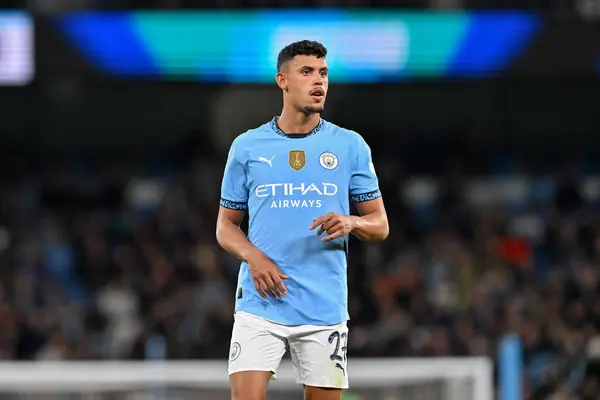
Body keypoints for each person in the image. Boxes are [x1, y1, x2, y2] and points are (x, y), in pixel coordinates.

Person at [216, 40, 389, 400]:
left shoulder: (349, 145)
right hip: (260, 304)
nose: (318, 81)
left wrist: (352, 223)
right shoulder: (247, 147)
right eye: (307, 72)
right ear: (283, 80)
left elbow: (380, 224)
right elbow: (225, 225)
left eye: (323, 73)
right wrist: (253, 256)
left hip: (323, 307)